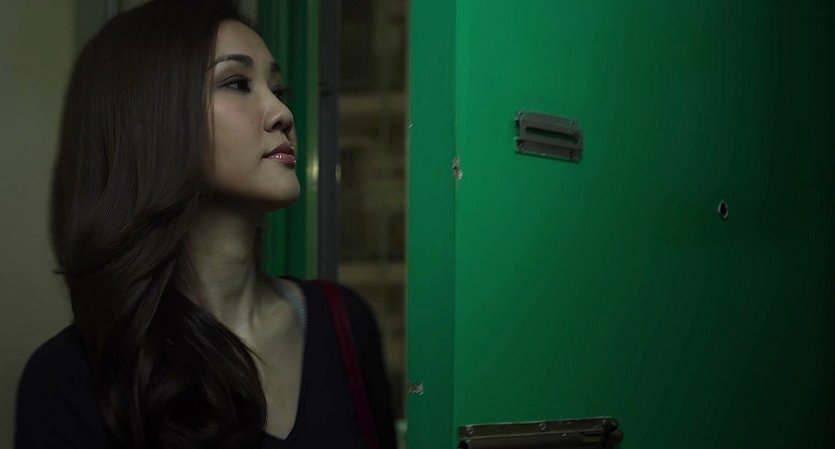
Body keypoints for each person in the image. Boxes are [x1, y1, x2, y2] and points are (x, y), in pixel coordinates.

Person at [14, 1, 396, 448]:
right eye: (237, 83)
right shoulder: (70, 379)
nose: (281, 113)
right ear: (151, 117)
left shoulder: (342, 322)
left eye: (278, 89)